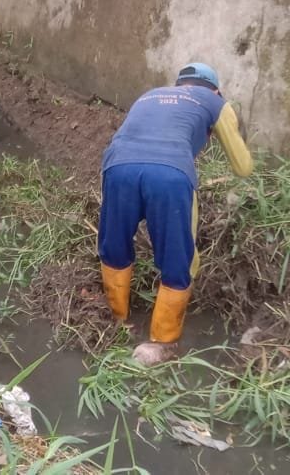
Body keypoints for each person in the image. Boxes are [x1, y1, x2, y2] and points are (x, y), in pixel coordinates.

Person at [98, 63, 252, 364]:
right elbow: (242, 166)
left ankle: (117, 320)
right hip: (170, 175)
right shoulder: (216, 102)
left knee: (114, 244)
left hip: (117, 167)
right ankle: (161, 342)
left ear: (178, 84)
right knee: (178, 256)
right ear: (216, 90)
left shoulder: (150, 95)